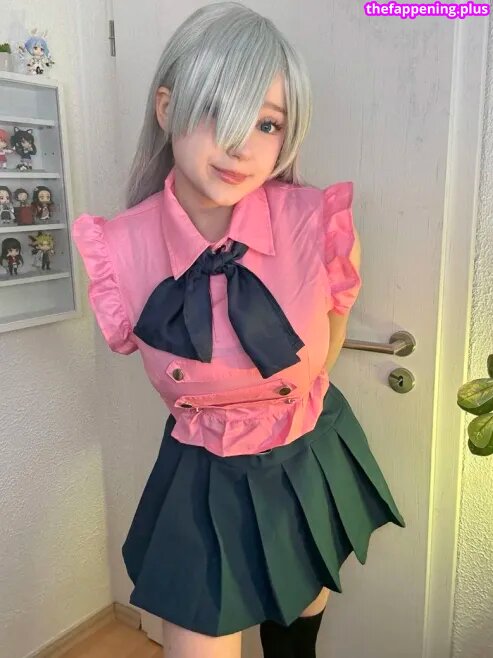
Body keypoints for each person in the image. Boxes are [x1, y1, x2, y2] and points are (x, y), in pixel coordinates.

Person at [71, 3, 405, 657]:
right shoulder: (118, 251)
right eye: (215, 110)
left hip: (306, 451)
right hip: (204, 471)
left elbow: (330, 336)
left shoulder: (318, 223)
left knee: (296, 633)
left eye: (267, 123)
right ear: (167, 107)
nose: (240, 145)